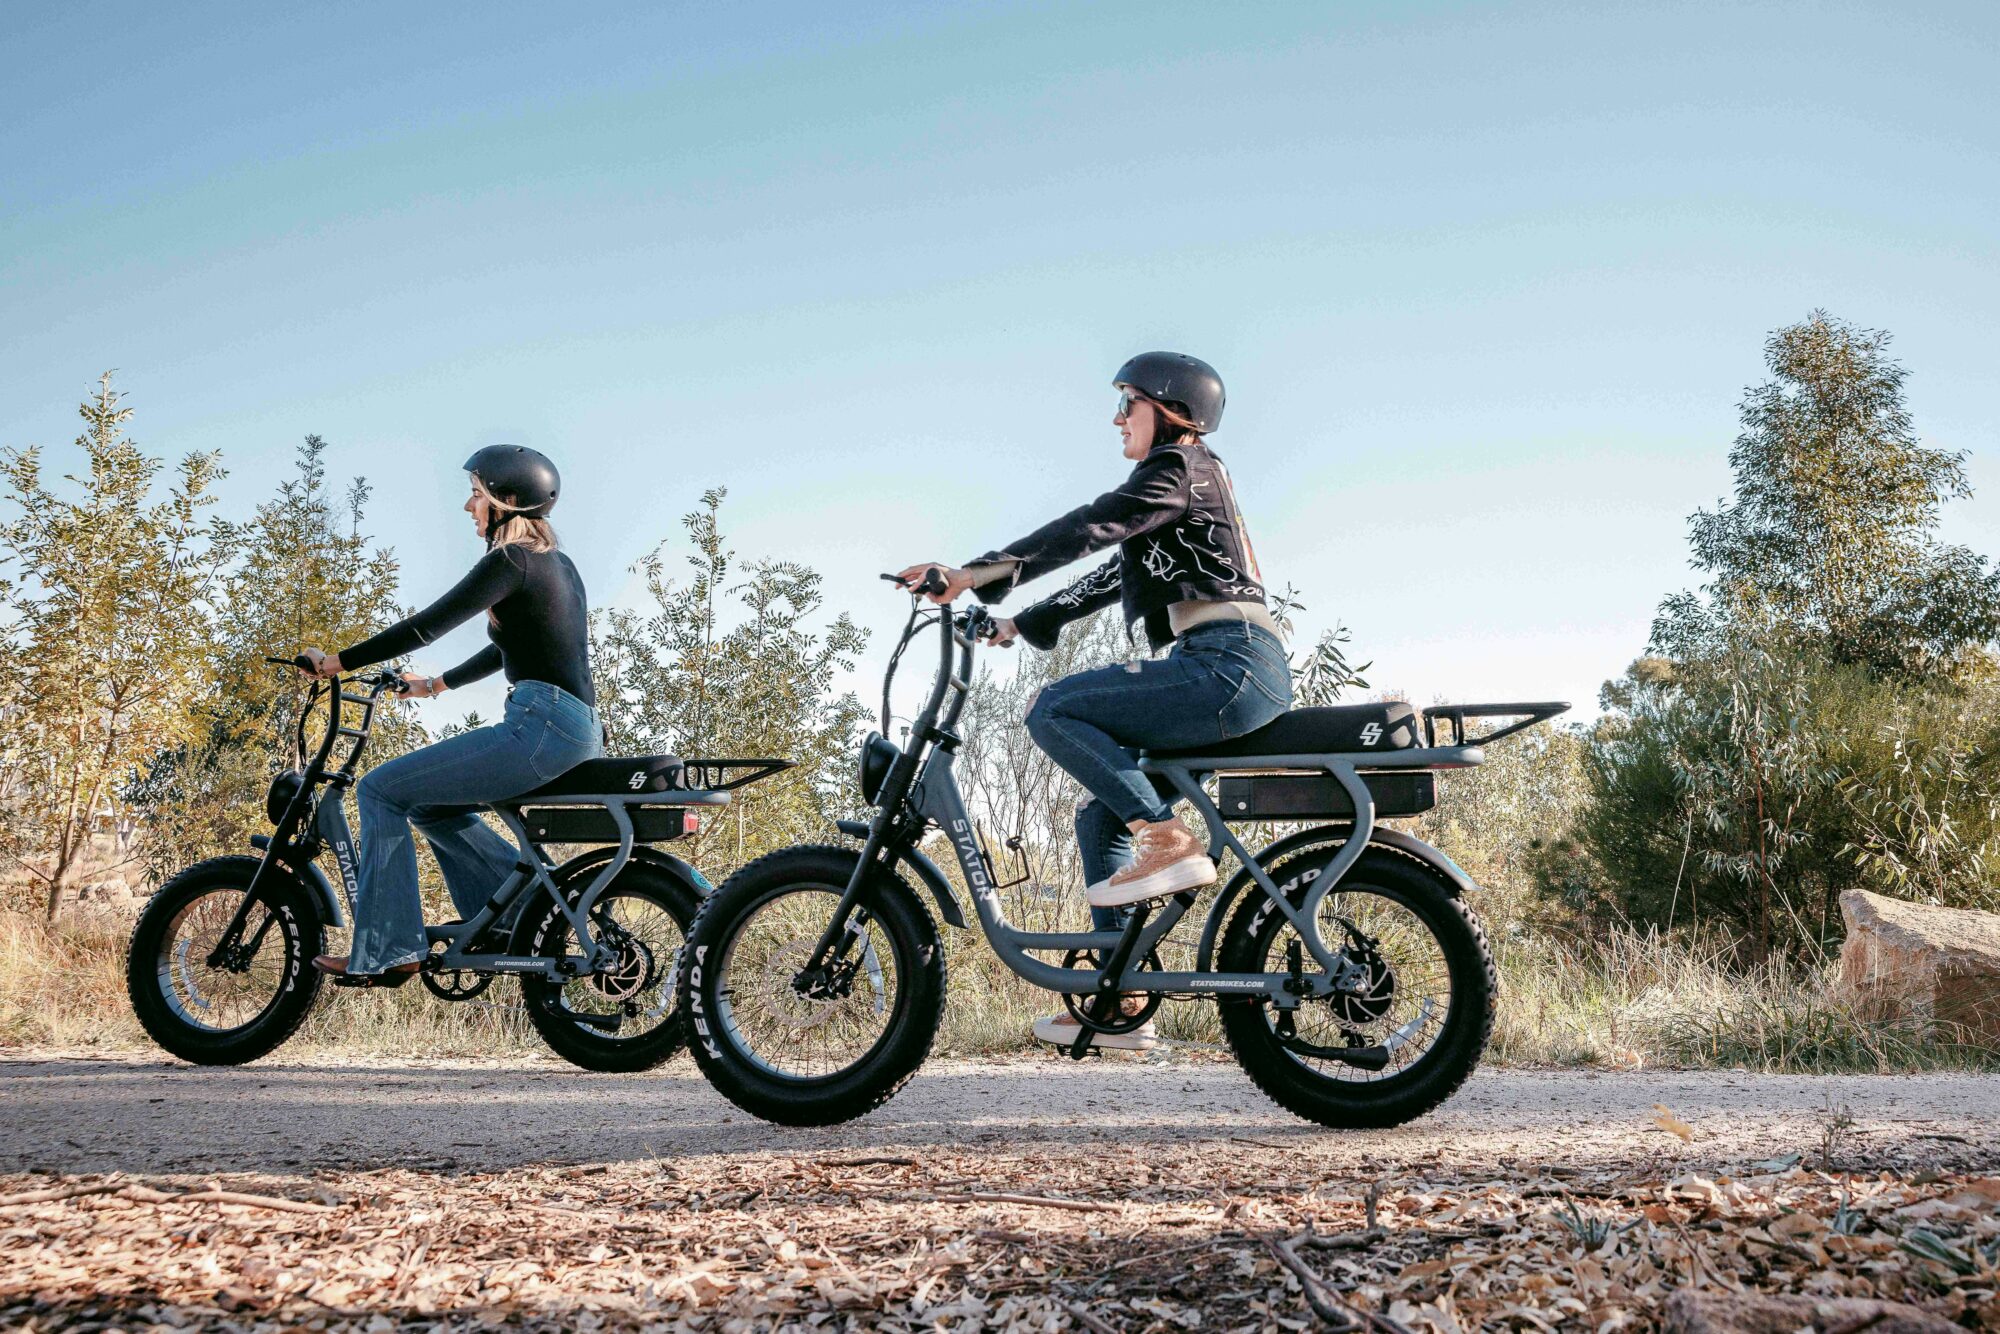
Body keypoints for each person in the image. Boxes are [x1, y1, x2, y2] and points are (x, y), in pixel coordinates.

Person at [896, 352, 1293, 1049]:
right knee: (1100, 818)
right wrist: (1021, 623)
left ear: (1170, 411)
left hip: (1225, 663)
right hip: (1229, 668)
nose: (1117, 419)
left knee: (1052, 708)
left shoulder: (1177, 468)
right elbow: (1116, 571)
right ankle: (1119, 993)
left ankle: (1166, 838)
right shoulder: (1184, 485)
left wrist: (975, 573)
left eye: (1127, 404)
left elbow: (1090, 524)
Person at [301, 445, 603, 985]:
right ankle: (519, 914)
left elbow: (425, 626)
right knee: (429, 806)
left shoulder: (511, 560)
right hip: (573, 727)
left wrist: (335, 663)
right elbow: (513, 646)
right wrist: (435, 685)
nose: (469, 506)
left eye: (476, 494)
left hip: (541, 725)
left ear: (506, 502)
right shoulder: (557, 566)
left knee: (379, 790)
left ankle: (390, 948)